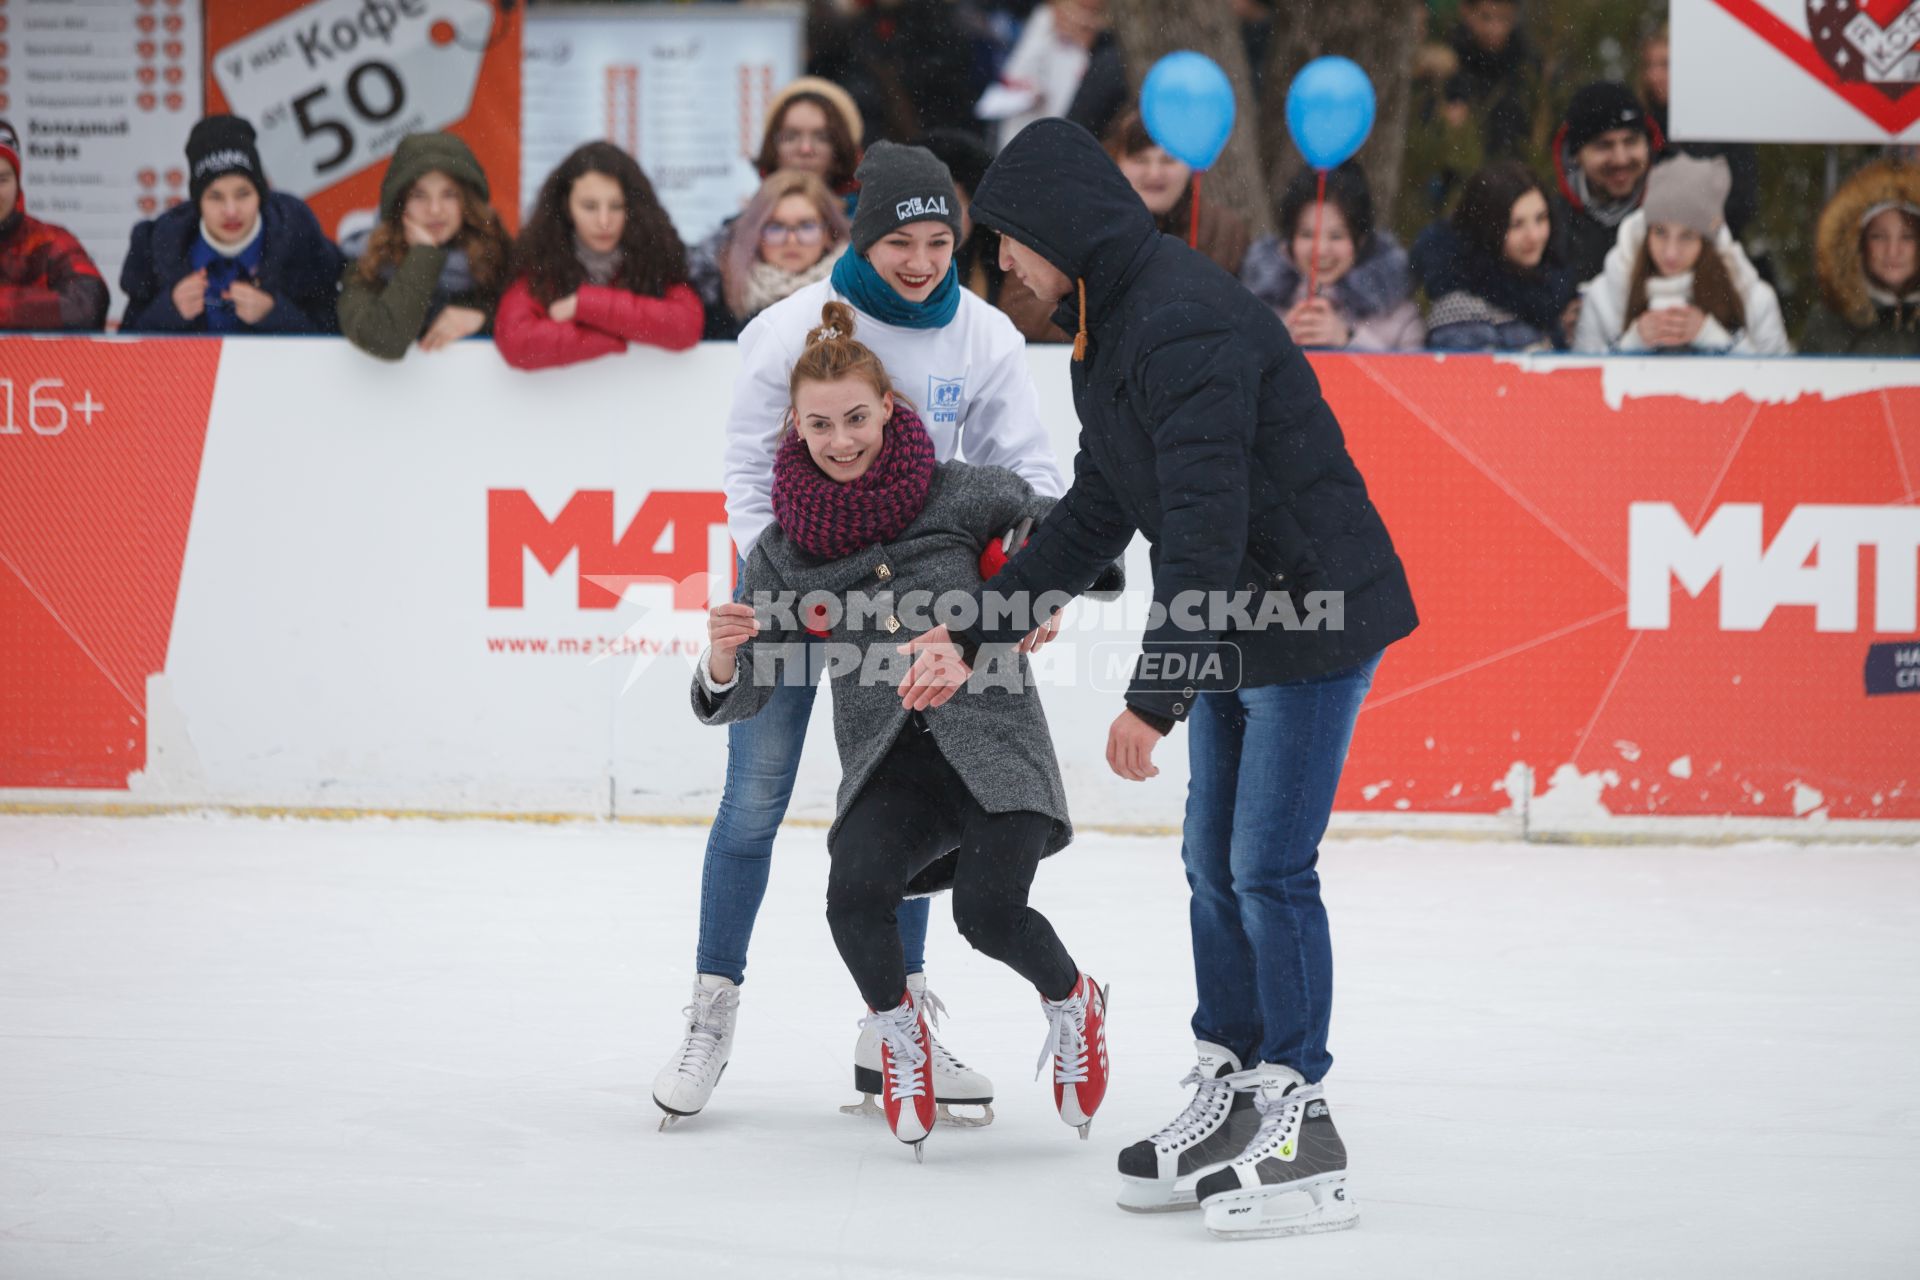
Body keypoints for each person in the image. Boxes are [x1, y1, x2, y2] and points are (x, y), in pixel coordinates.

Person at [896, 118, 1417, 1235]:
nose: (1007, 274)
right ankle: (1233, 1079)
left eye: (1010, 250)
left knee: (1269, 865)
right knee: (1211, 861)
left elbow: (1202, 523)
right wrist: (983, 627)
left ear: (1057, 232)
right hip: (1244, 612)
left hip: (1308, 613)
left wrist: (1155, 694)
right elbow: (1097, 507)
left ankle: (1302, 1115)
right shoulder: (1112, 321)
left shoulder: (1177, 322)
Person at [650, 141, 1067, 1133]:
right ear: (859, 237)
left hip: (918, 607)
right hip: (798, 589)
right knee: (752, 799)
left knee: (903, 793)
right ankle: (711, 1010)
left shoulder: (986, 335)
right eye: (899, 244)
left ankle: (897, 1028)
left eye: (938, 242)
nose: (921, 262)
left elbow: (1029, 477)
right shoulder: (786, 330)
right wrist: (788, 590)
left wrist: (1029, 589)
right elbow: (751, 477)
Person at [688, 299, 1109, 1159]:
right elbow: (750, 687)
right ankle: (898, 1035)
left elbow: (1069, 537)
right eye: (820, 425)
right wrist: (722, 662)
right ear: (793, 430)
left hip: (996, 752)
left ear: (889, 409)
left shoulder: (958, 491)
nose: (842, 440)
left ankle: (1075, 1001)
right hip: (891, 771)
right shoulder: (784, 552)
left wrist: (1035, 582)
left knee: (989, 916)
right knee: (852, 897)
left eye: (856, 417)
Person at [999, 109, 1250, 342]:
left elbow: (1238, 316)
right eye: (1140, 160)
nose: (1154, 173)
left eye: (1168, 160)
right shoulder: (1069, 222)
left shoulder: (1226, 230)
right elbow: (1022, 315)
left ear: (1191, 165)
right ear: (1114, 162)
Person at [119, 115, 343, 335]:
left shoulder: (300, 240)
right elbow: (123, 351)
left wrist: (275, 314)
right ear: (198, 203)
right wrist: (168, 312)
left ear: (260, 195)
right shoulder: (157, 246)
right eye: (215, 197)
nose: (231, 211)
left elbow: (336, 339)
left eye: (243, 194)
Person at [494, 141, 702, 370]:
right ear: (566, 207)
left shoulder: (655, 259)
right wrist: (623, 333)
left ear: (633, 208)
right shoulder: (542, 263)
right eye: (590, 206)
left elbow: (686, 326)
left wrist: (585, 305)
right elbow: (516, 341)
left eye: (616, 206)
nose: (604, 221)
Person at [686, 76, 863, 330]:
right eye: (791, 136)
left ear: (841, 148)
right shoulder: (726, 243)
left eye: (821, 137)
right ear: (773, 146)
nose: (805, 148)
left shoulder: (871, 237)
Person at [1572, 155, 1788, 356]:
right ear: (1646, 231)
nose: (1671, 252)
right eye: (1660, 232)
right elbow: (1575, 386)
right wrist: (1629, 345)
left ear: (1707, 242)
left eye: (1687, 236)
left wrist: (1718, 341)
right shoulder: (1604, 295)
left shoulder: (1753, 298)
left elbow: (1784, 387)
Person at [338, 133, 511, 361]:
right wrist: (424, 256)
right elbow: (384, 340)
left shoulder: (499, 256)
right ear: (399, 204)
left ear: (467, 201)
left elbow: (540, 317)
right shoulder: (368, 260)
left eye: (449, 194)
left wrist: (484, 319)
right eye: (419, 195)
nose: (435, 209)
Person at [1242, 162, 1425, 352]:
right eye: (1307, 234)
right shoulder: (1256, 308)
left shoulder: (1397, 314)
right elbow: (1234, 373)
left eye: (1336, 236)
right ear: (1289, 240)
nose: (1321, 250)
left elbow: (1411, 378)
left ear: (1360, 241)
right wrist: (1277, 341)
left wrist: (1349, 340)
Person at [1401, 0, 1545, 239]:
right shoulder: (1446, 66)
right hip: (1453, 189)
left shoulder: (1527, 67)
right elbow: (1422, 140)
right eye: (1486, 18)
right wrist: (1444, 124)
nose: (1495, 29)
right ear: (1466, 13)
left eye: (1503, 19)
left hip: (1513, 183)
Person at [1413, 160, 1578, 352]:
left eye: (1540, 218)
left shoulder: (1552, 292)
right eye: (1516, 224)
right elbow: (1473, 381)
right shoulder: (1461, 310)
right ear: (1486, 229)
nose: (1533, 235)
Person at [1637, 25, 1759, 240]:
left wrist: (1697, 236)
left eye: (1666, 65)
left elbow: (1743, 200)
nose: (1654, 76)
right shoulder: (1640, 128)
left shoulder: (1723, 125)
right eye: (1649, 66)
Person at [704, 170, 849, 342]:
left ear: (828, 233)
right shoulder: (719, 294)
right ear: (755, 234)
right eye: (776, 227)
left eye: (806, 226)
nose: (792, 240)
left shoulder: (855, 293)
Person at [0, 119, 110, 331]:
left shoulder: (48, 241)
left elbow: (88, 305)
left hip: (33, 363)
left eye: (2, 179)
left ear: (17, 182)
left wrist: (8, 307)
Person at [1804, 160, 1920, 357]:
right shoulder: (1828, 324)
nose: (1893, 251)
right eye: (1879, 236)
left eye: (1907, 237)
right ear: (1859, 243)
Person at [1550, 81, 1660, 286]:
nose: (1620, 159)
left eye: (1631, 141)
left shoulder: (1671, 214)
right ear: (1576, 155)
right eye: (1603, 145)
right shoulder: (1551, 224)